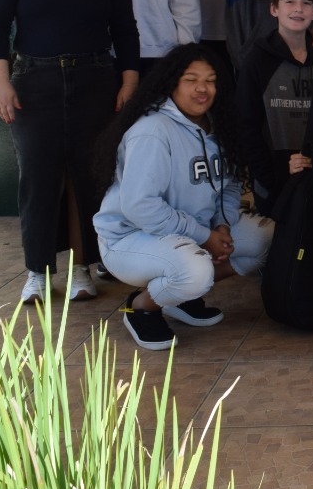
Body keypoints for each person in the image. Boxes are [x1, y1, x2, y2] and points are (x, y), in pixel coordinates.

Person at [0, 0, 140, 304]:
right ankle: (37, 270)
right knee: (38, 178)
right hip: (34, 84)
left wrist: (128, 82)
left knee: (89, 179)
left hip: (95, 82)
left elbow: (125, 30)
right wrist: (1, 82)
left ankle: (82, 268)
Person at [92, 46, 272, 351]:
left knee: (265, 238)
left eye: (211, 80)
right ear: (171, 82)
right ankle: (143, 306)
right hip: (130, 239)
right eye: (191, 79)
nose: (203, 88)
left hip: (190, 233)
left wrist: (223, 226)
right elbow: (140, 206)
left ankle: (178, 293)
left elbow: (229, 185)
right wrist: (204, 236)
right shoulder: (152, 130)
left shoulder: (217, 125)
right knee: (196, 270)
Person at [235, 0, 313, 217]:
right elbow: (246, 125)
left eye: (306, 3)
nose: (298, 9)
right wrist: (269, 176)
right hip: (272, 179)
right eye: (290, 1)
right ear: (274, 9)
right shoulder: (257, 60)